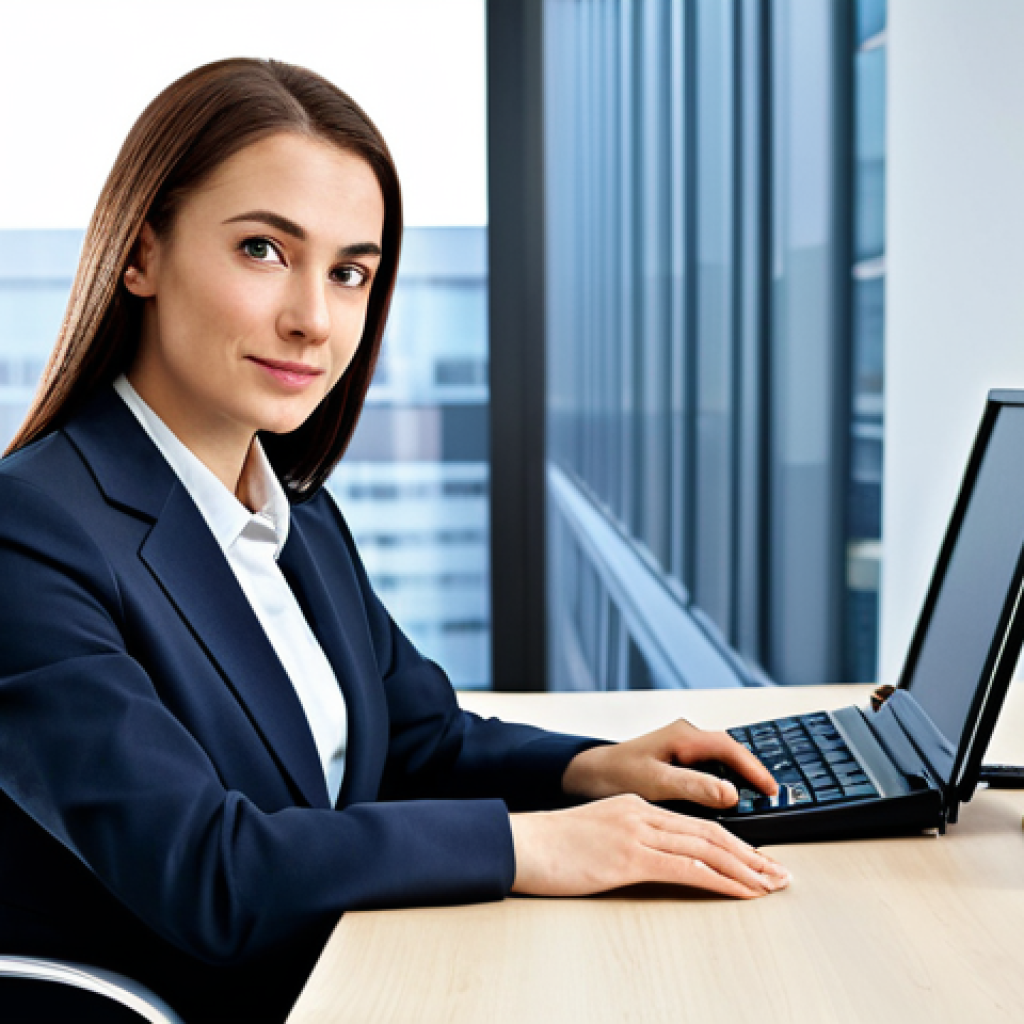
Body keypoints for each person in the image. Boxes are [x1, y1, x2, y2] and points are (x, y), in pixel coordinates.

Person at [0, 58, 789, 1022]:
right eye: (261, 249)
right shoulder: (30, 532)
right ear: (142, 254)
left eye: (349, 272)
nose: (312, 319)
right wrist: (531, 848)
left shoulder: (295, 511)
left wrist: (593, 768)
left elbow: (420, 740)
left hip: (364, 972)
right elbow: (206, 870)